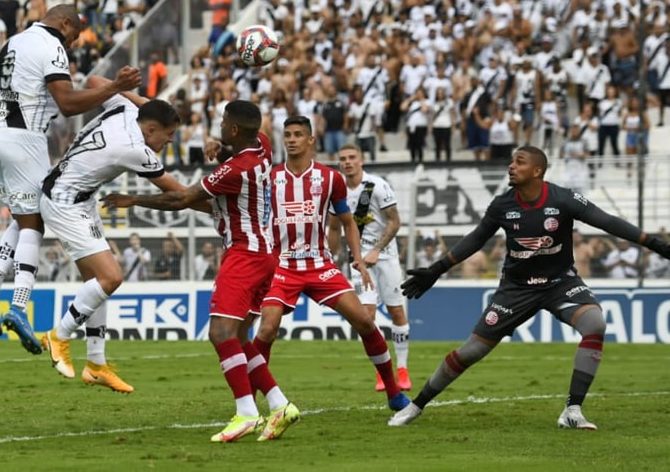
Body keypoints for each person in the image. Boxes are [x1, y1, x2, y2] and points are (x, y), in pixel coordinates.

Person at [389, 146, 670, 429]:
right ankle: (416, 406)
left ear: (537, 171)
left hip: (560, 283)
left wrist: (655, 244)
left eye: (519, 162)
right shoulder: (502, 204)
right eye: (511, 161)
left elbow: (608, 222)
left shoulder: (564, 199)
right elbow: (475, 238)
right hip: (516, 289)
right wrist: (436, 270)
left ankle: (572, 410)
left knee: (595, 323)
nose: (511, 166)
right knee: (471, 351)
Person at [104, 101, 299, 443]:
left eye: (224, 123)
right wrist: (222, 147)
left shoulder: (234, 169)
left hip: (244, 255)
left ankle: (246, 413)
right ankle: (280, 405)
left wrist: (133, 200)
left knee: (220, 334)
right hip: (266, 252)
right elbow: (247, 145)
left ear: (235, 130)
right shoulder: (263, 147)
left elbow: (181, 199)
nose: (220, 125)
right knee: (238, 337)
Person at [0, 4, 141, 354]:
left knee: (23, 218)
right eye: (75, 36)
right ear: (65, 24)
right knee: (35, 223)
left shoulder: (14, 42)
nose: (73, 44)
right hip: (23, 138)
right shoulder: (51, 45)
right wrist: (114, 87)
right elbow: (66, 103)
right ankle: (18, 307)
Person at [254, 116, 412, 412]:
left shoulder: (329, 178)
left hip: (319, 265)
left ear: (311, 140)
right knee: (267, 330)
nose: (291, 139)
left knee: (366, 321)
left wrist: (359, 262)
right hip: (283, 266)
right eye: (287, 134)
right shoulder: (271, 178)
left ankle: (393, 392)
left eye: (298, 134)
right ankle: (249, 402)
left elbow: (347, 223)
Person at [38, 78, 184, 393]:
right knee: (110, 277)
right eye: (168, 135)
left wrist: (137, 98)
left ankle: (96, 365)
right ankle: (58, 335)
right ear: (150, 131)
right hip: (63, 202)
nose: (169, 141)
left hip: (79, 196)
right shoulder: (134, 150)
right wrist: (216, 204)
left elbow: (96, 82)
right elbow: (178, 194)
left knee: (98, 286)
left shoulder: (123, 107)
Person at [332, 143, 412, 391]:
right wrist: (329, 257)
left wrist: (377, 249)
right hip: (358, 260)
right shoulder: (338, 190)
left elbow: (395, 221)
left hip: (386, 257)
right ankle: (382, 370)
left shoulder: (376, 185)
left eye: (352, 157)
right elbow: (334, 228)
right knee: (366, 316)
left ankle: (402, 368)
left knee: (397, 312)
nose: (347, 162)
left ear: (361, 160)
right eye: (343, 159)